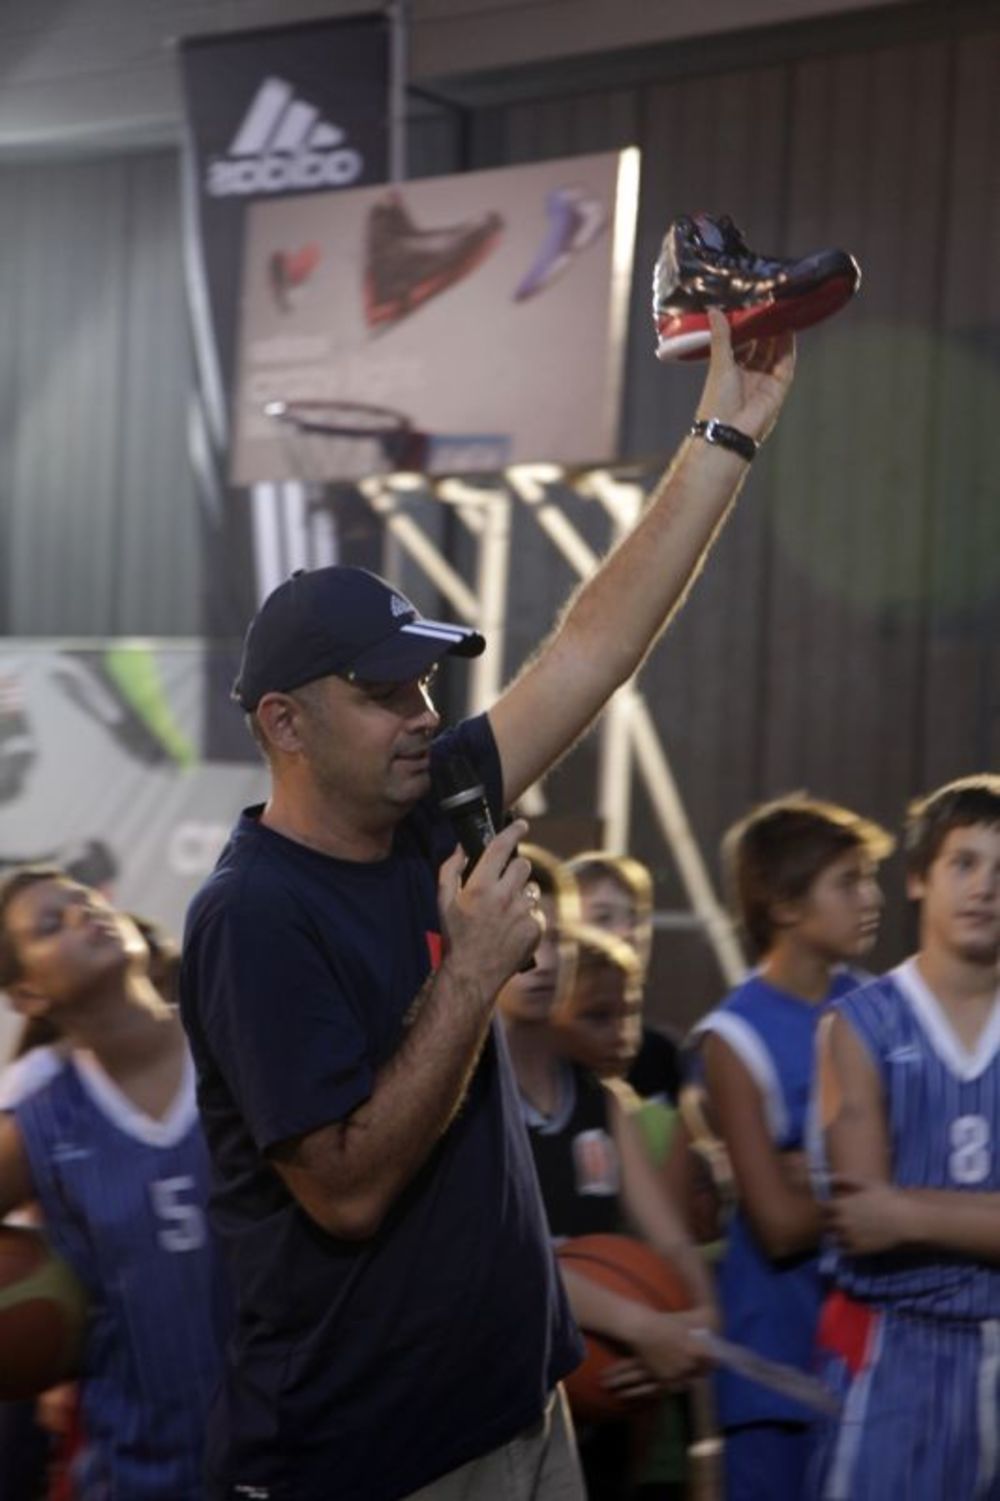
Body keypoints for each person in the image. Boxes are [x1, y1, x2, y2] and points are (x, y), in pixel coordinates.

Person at [179, 310, 796, 1501]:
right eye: (382, 691)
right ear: (284, 724)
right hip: (370, 1462)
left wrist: (727, 427)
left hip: (519, 1415)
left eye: (423, 679)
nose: (421, 708)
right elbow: (348, 1191)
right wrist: (468, 974)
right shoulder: (250, 917)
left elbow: (589, 649)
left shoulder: (430, 804)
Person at [0, 868, 228, 1499]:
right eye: (51, 924)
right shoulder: (40, 1121)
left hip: (303, 1453)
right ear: (28, 994)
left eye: (82, 900)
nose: (80, 915)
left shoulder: (236, 1045)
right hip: (138, 1471)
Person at [689, 796, 891, 1501]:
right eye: (848, 880)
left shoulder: (883, 1007)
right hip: (776, 1363)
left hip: (873, 1361)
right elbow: (776, 1225)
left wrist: (823, 1176)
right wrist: (874, 1187)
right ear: (783, 904)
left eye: (869, 876)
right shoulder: (733, 1037)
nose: (872, 896)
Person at [809, 775, 1000, 1500]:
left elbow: (890, 1214)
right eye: (965, 862)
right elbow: (864, 1221)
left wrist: (910, 1211)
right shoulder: (858, 1025)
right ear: (919, 877)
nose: (985, 886)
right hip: (896, 1356)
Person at [565, 850, 682, 1105]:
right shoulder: (546, 1058)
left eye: (636, 917)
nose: (627, 932)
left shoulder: (662, 1055)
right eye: (603, 917)